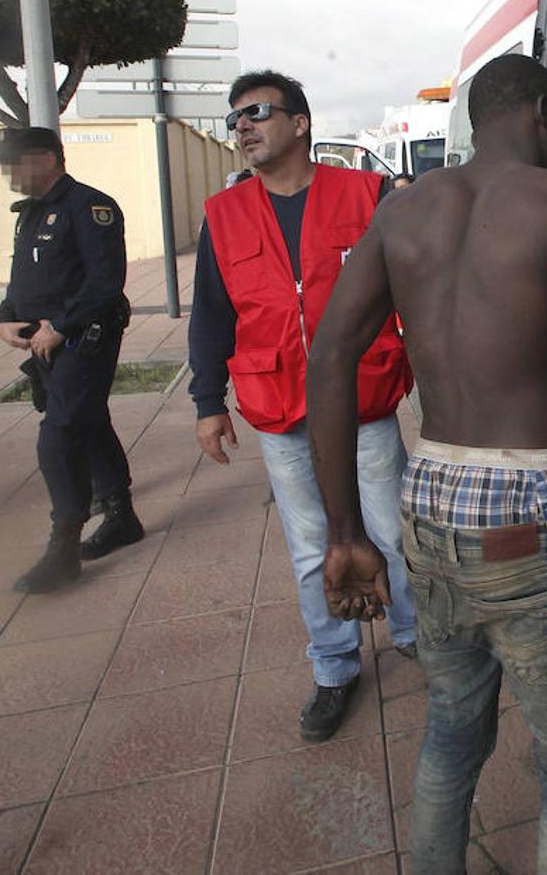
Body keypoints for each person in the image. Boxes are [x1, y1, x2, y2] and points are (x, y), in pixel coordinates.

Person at [305, 54, 547, 874]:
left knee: (450, 725)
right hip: (531, 512)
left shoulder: (402, 212)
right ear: (544, 116)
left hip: (430, 502)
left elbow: (328, 355)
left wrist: (343, 532)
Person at [187, 70, 418, 744]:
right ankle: (335, 666)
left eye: (257, 112)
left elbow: (414, 290)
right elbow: (210, 316)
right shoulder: (224, 217)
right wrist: (208, 401)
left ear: (301, 123)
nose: (243, 127)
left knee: (394, 531)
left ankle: (413, 634)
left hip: (364, 402)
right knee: (311, 545)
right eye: (235, 120)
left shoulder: (367, 194)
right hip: (280, 408)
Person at [0, 126, 143, 594]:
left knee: (59, 436)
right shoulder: (31, 214)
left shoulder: (89, 208)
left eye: (16, 162)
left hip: (82, 338)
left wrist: (62, 326)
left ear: (49, 158)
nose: (10, 174)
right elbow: (21, 277)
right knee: (88, 422)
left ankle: (64, 548)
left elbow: (104, 282)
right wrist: (4, 318)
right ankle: (121, 516)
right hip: (43, 342)